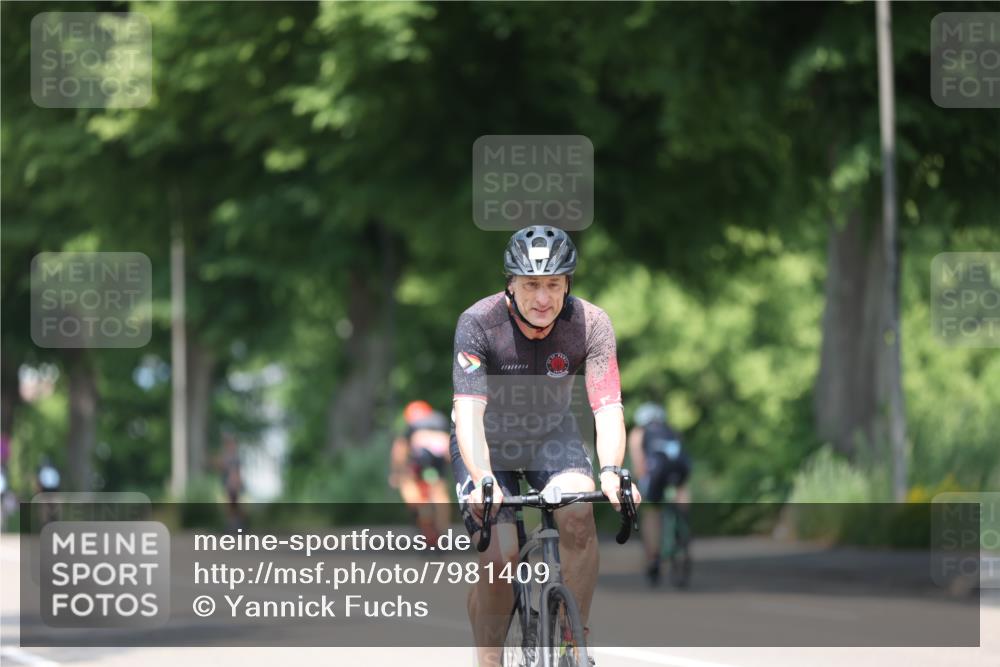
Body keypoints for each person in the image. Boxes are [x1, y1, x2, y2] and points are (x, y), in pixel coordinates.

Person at [451, 225, 640, 665]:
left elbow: (607, 406)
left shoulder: (591, 324)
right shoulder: (478, 323)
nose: (542, 298)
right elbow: (470, 414)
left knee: (577, 515)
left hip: (550, 436)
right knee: (502, 557)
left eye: (553, 284)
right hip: (487, 443)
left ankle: (574, 640)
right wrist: (482, 478)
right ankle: (489, 659)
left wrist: (612, 471)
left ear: (567, 284)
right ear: (510, 284)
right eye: (531, 285)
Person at [627, 401, 692, 586]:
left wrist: (641, 481)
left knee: (651, 512)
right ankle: (683, 522)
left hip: (656, 473)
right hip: (679, 470)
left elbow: (640, 466)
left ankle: (653, 558)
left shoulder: (638, 433)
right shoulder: (672, 430)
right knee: (681, 488)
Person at [388, 400, 452, 542]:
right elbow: (449, 449)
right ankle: (442, 531)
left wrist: (396, 473)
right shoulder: (440, 422)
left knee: (410, 489)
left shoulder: (411, 427)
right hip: (438, 465)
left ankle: (426, 522)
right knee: (440, 494)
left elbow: (399, 451)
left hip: (419, 464)